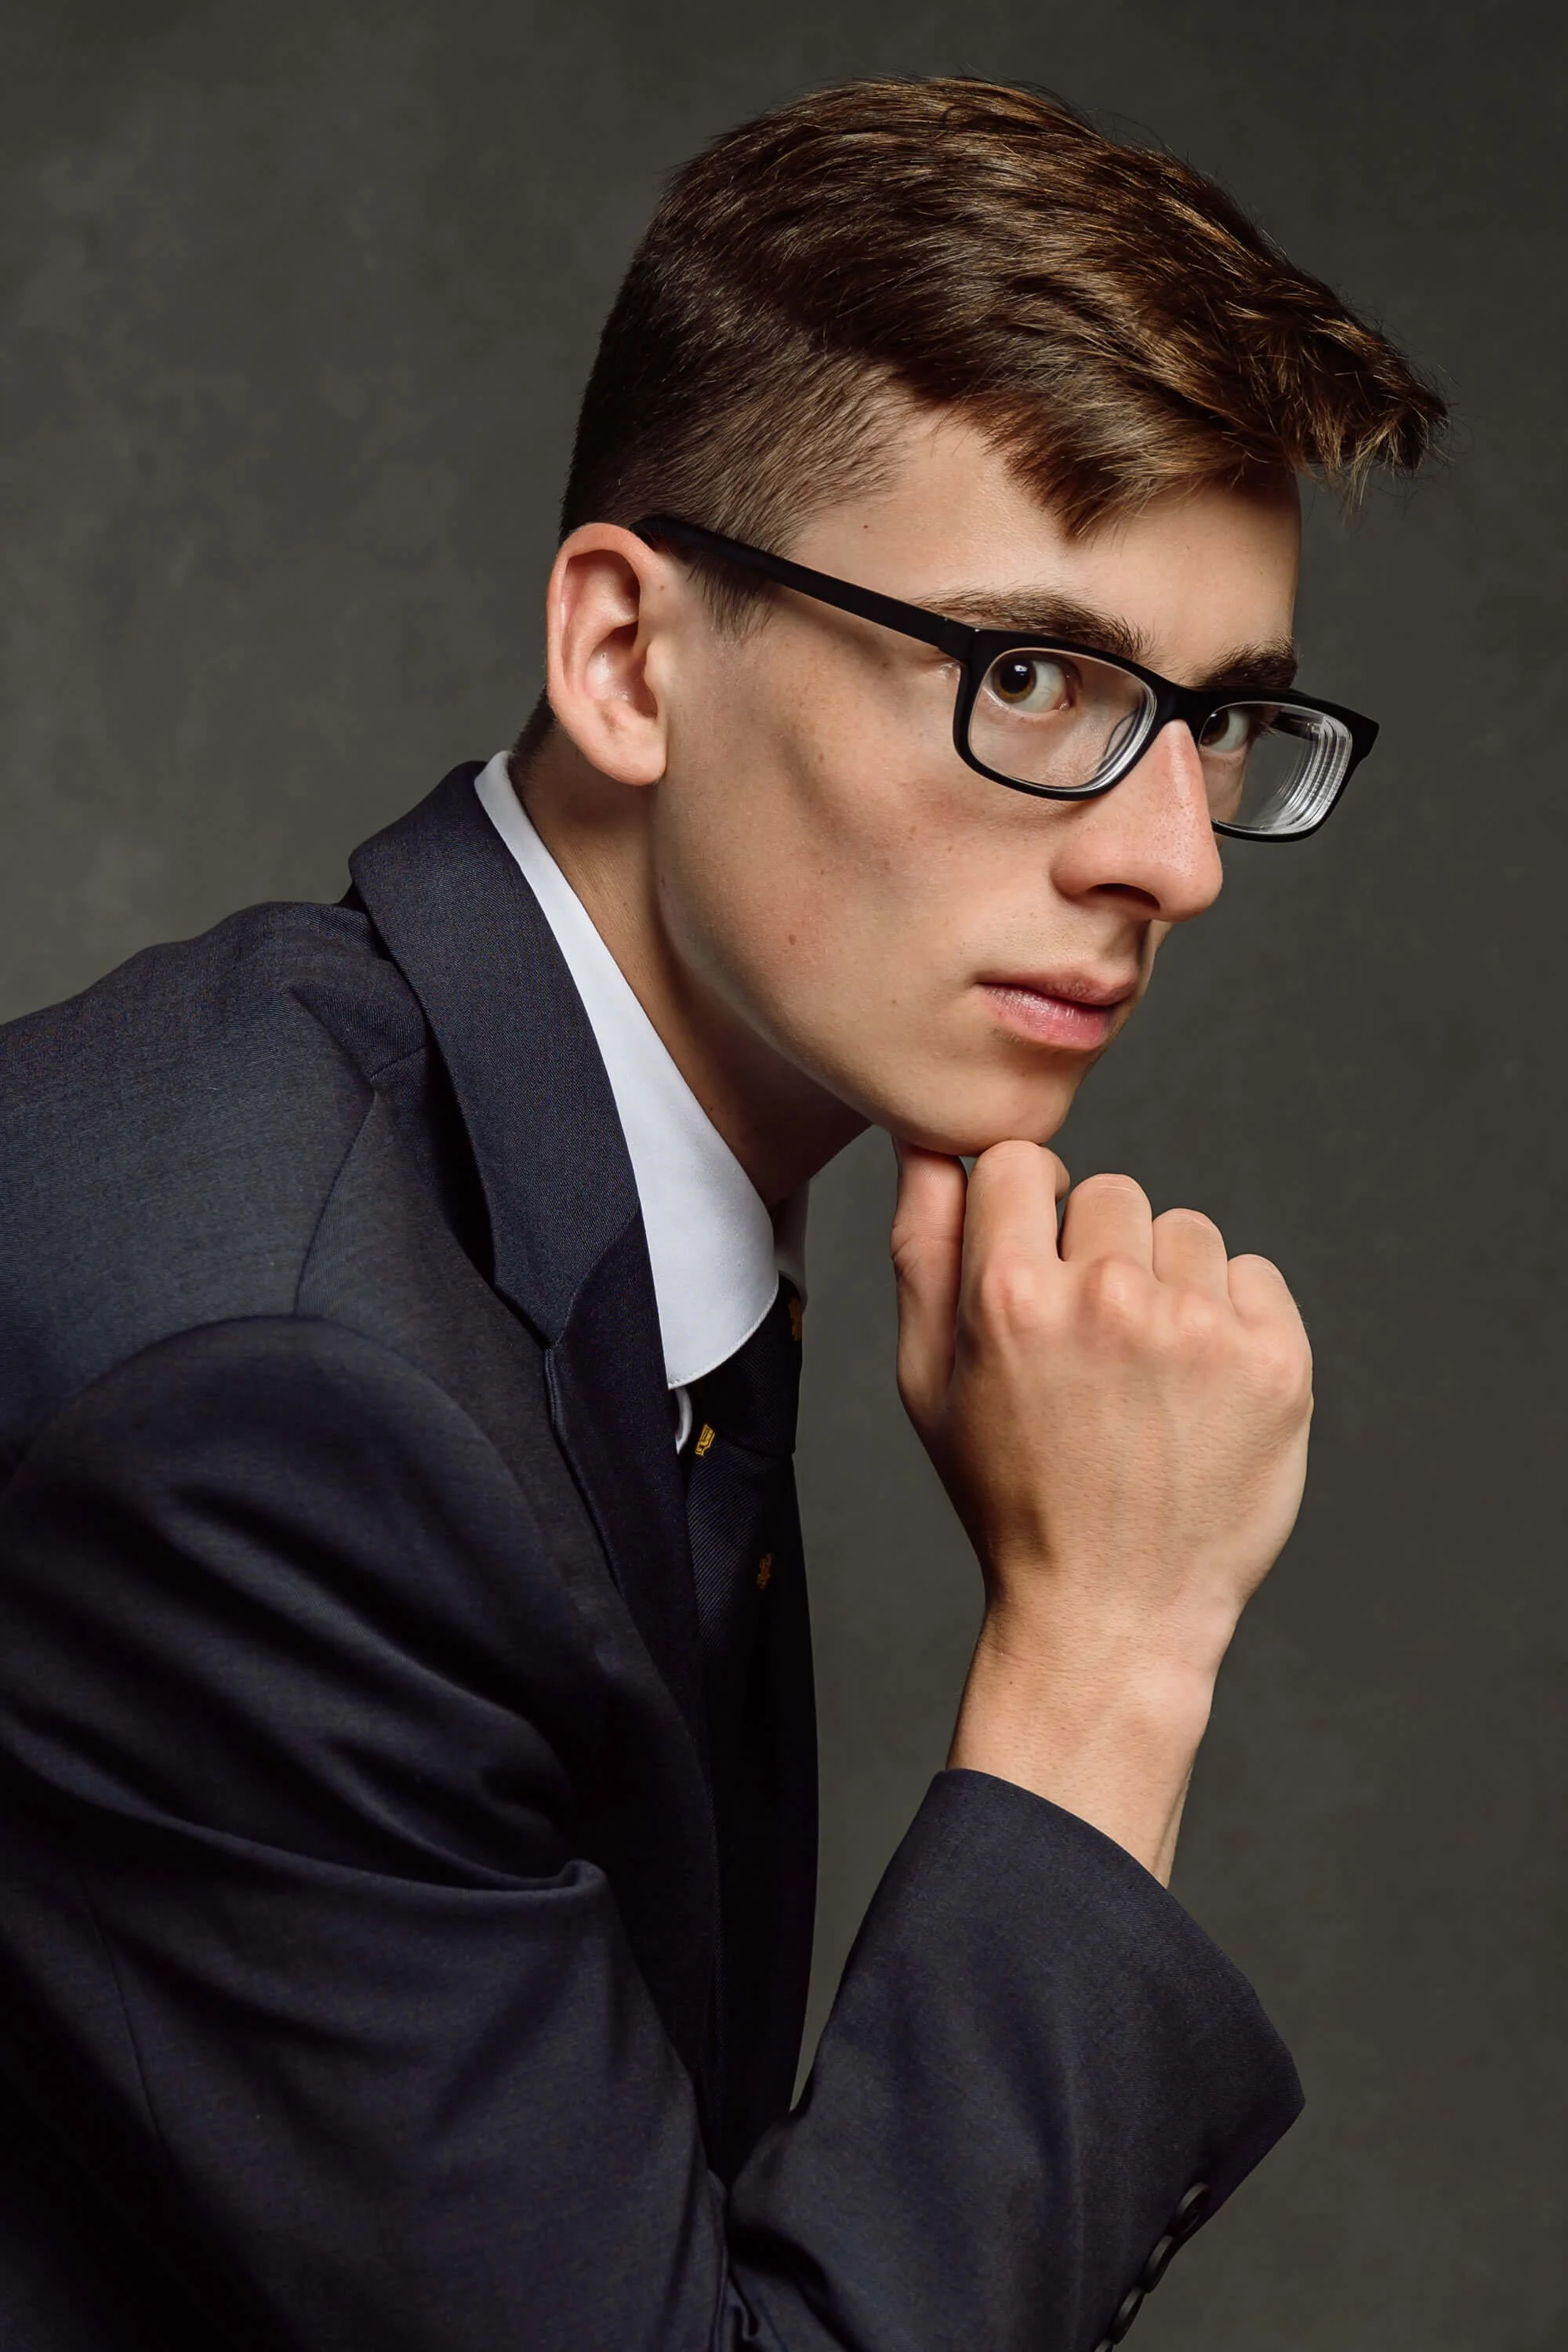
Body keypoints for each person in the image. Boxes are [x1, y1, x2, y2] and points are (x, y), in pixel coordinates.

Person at [0, 75, 1442, 2352]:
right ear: (627, 657)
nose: (1168, 857)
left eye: (1222, 722)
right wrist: (1110, 1655)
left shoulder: (546, 1196)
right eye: (1033, 677)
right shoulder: (275, 1397)